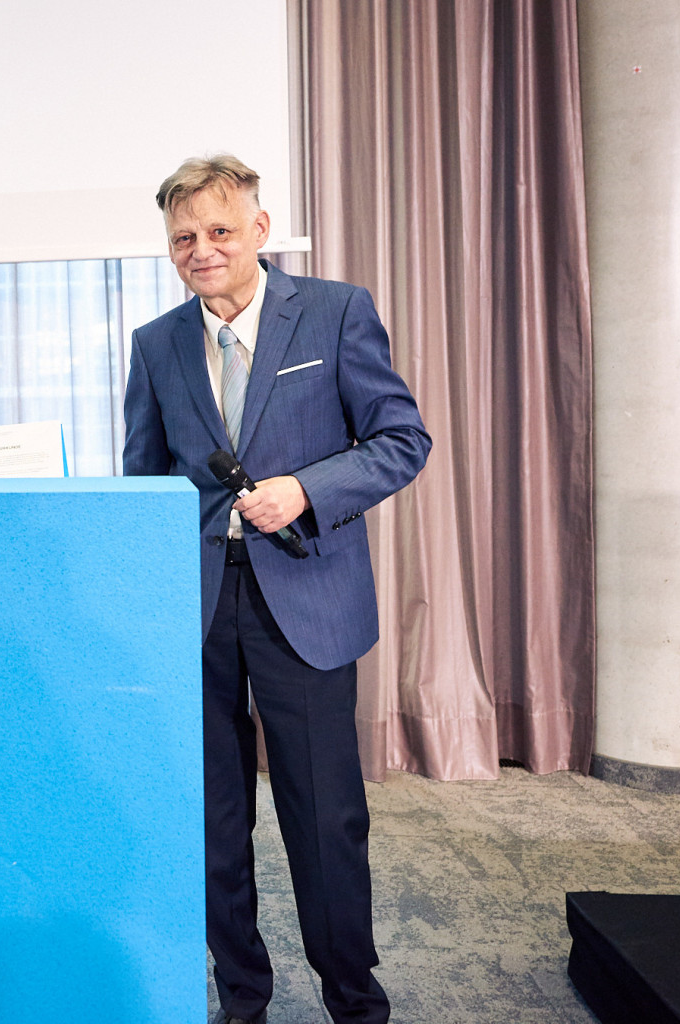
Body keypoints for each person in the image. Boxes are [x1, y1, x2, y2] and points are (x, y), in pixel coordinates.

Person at [123, 155, 430, 1024]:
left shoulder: (335, 311)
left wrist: (306, 489)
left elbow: (401, 439)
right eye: (183, 237)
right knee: (214, 823)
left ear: (259, 230)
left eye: (220, 231)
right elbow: (143, 480)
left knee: (325, 821)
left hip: (307, 597)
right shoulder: (156, 343)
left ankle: (354, 1002)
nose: (201, 250)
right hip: (196, 609)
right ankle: (242, 997)